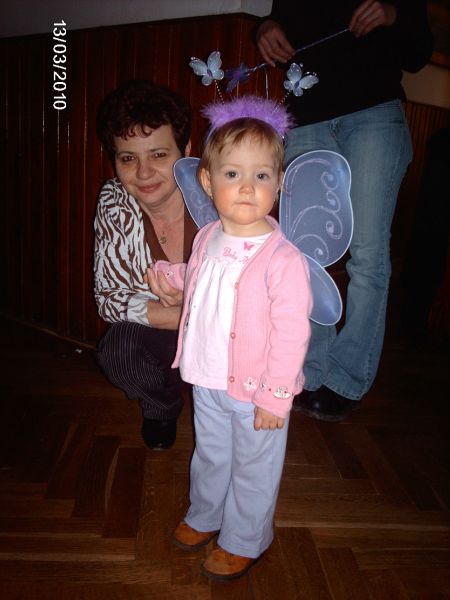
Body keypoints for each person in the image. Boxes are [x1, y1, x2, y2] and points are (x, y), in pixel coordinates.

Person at [150, 105, 313, 580]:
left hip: (259, 390)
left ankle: (245, 538)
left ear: (278, 184)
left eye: (261, 175)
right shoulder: (207, 237)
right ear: (207, 181)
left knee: (254, 467)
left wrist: (276, 396)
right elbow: (203, 277)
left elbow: (292, 333)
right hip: (207, 378)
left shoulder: (283, 260)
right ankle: (206, 514)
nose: (247, 187)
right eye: (233, 174)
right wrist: (173, 276)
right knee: (211, 454)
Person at [256, 0, 434, 421]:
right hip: (307, 118)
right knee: (305, 256)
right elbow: (283, 17)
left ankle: (348, 377)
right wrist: (265, 27)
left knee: (368, 253)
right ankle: (311, 368)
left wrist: (393, 14)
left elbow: (419, 53)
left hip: (374, 113)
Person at [94, 79, 197, 450]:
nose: (143, 173)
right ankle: (162, 407)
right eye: (128, 158)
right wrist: (192, 316)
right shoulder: (115, 202)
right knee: (119, 351)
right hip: (171, 330)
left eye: (158, 154)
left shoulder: (219, 196)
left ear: (186, 151)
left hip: (229, 333)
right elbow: (109, 300)